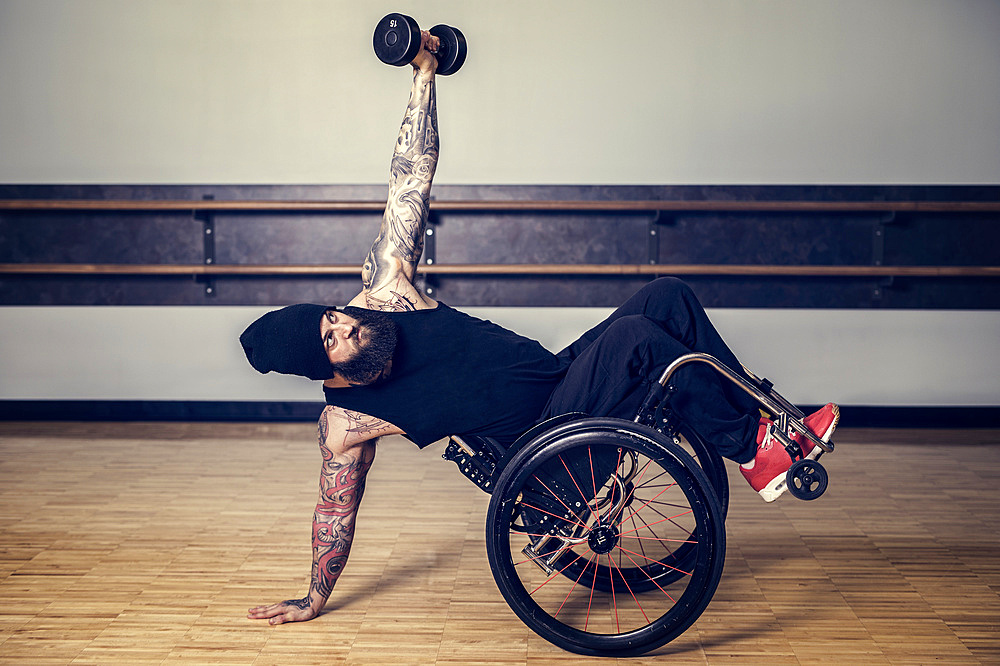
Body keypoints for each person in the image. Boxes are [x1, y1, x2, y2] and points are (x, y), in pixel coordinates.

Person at [240, 31, 839, 626]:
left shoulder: (387, 295)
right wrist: (313, 595)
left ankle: (771, 431)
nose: (346, 324)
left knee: (667, 297)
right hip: (548, 458)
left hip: (563, 382)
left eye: (332, 316)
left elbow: (409, 176)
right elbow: (334, 510)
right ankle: (755, 449)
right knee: (637, 343)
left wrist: (423, 70)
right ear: (322, 371)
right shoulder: (346, 425)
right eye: (331, 339)